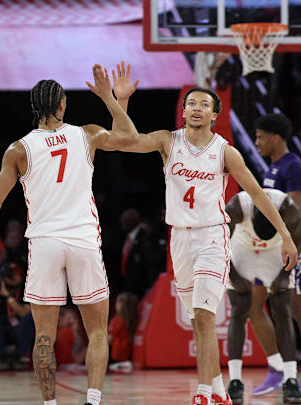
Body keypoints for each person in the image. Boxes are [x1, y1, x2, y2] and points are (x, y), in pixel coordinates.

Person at [110, 61, 298, 405]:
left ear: (215, 114)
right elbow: (124, 141)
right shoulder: (168, 141)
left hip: (212, 236)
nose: (197, 108)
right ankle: (220, 393)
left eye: (204, 105)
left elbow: (257, 193)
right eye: (192, 103)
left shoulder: (226, 151)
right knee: (198, 320)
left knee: (206, 316)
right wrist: (121, 103)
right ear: (183, 111)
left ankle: (201, 394)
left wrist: (285, 235)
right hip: (179, 239)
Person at [0, 64, 140, 405]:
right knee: (96, 331)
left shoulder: (19, 149)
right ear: (62, 105)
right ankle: (92, 400)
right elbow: (130, 137)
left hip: (45, 243)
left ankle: (50, 403)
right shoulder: (87, 134)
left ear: (35, 107)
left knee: (44, 335)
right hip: (83, 241)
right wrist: (111, 98)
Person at [224, 189, 301, 403]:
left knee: (282, 309)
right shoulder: (238, 206)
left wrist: (283, 276)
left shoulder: (289, 210)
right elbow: (218, 242)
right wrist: (234, 275)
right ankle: (235, 380)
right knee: (239, 310)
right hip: (242, 247)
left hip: (276, 250)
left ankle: (290, 379)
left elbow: (297, 246)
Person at [250, 112, 301, 393]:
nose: (256, 142)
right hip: (268, 251)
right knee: (254, 306)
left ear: (276, 138)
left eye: (260, 137)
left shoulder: (293, 167)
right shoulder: (271, 168)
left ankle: (282, 371)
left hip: (287, 252)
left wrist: (284, 250)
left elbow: (294, 213)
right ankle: (277, 369)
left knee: (292, 311)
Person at [0, 262, 33, 370]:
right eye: (10, 274)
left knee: (30, 316)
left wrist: (7, 296)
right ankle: (1, 356)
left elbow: (24, 313)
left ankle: (20, 355)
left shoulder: (25, 290)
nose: (14, 276)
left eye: (17, 273)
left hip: (17, 330)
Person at [107, 292, 138, 372]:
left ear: (122, 305)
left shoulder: (117, 320)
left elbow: (108, 340)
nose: (115, 304)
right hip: (127, 357)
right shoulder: (133, 320)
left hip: (116, 358)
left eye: (117, 302)